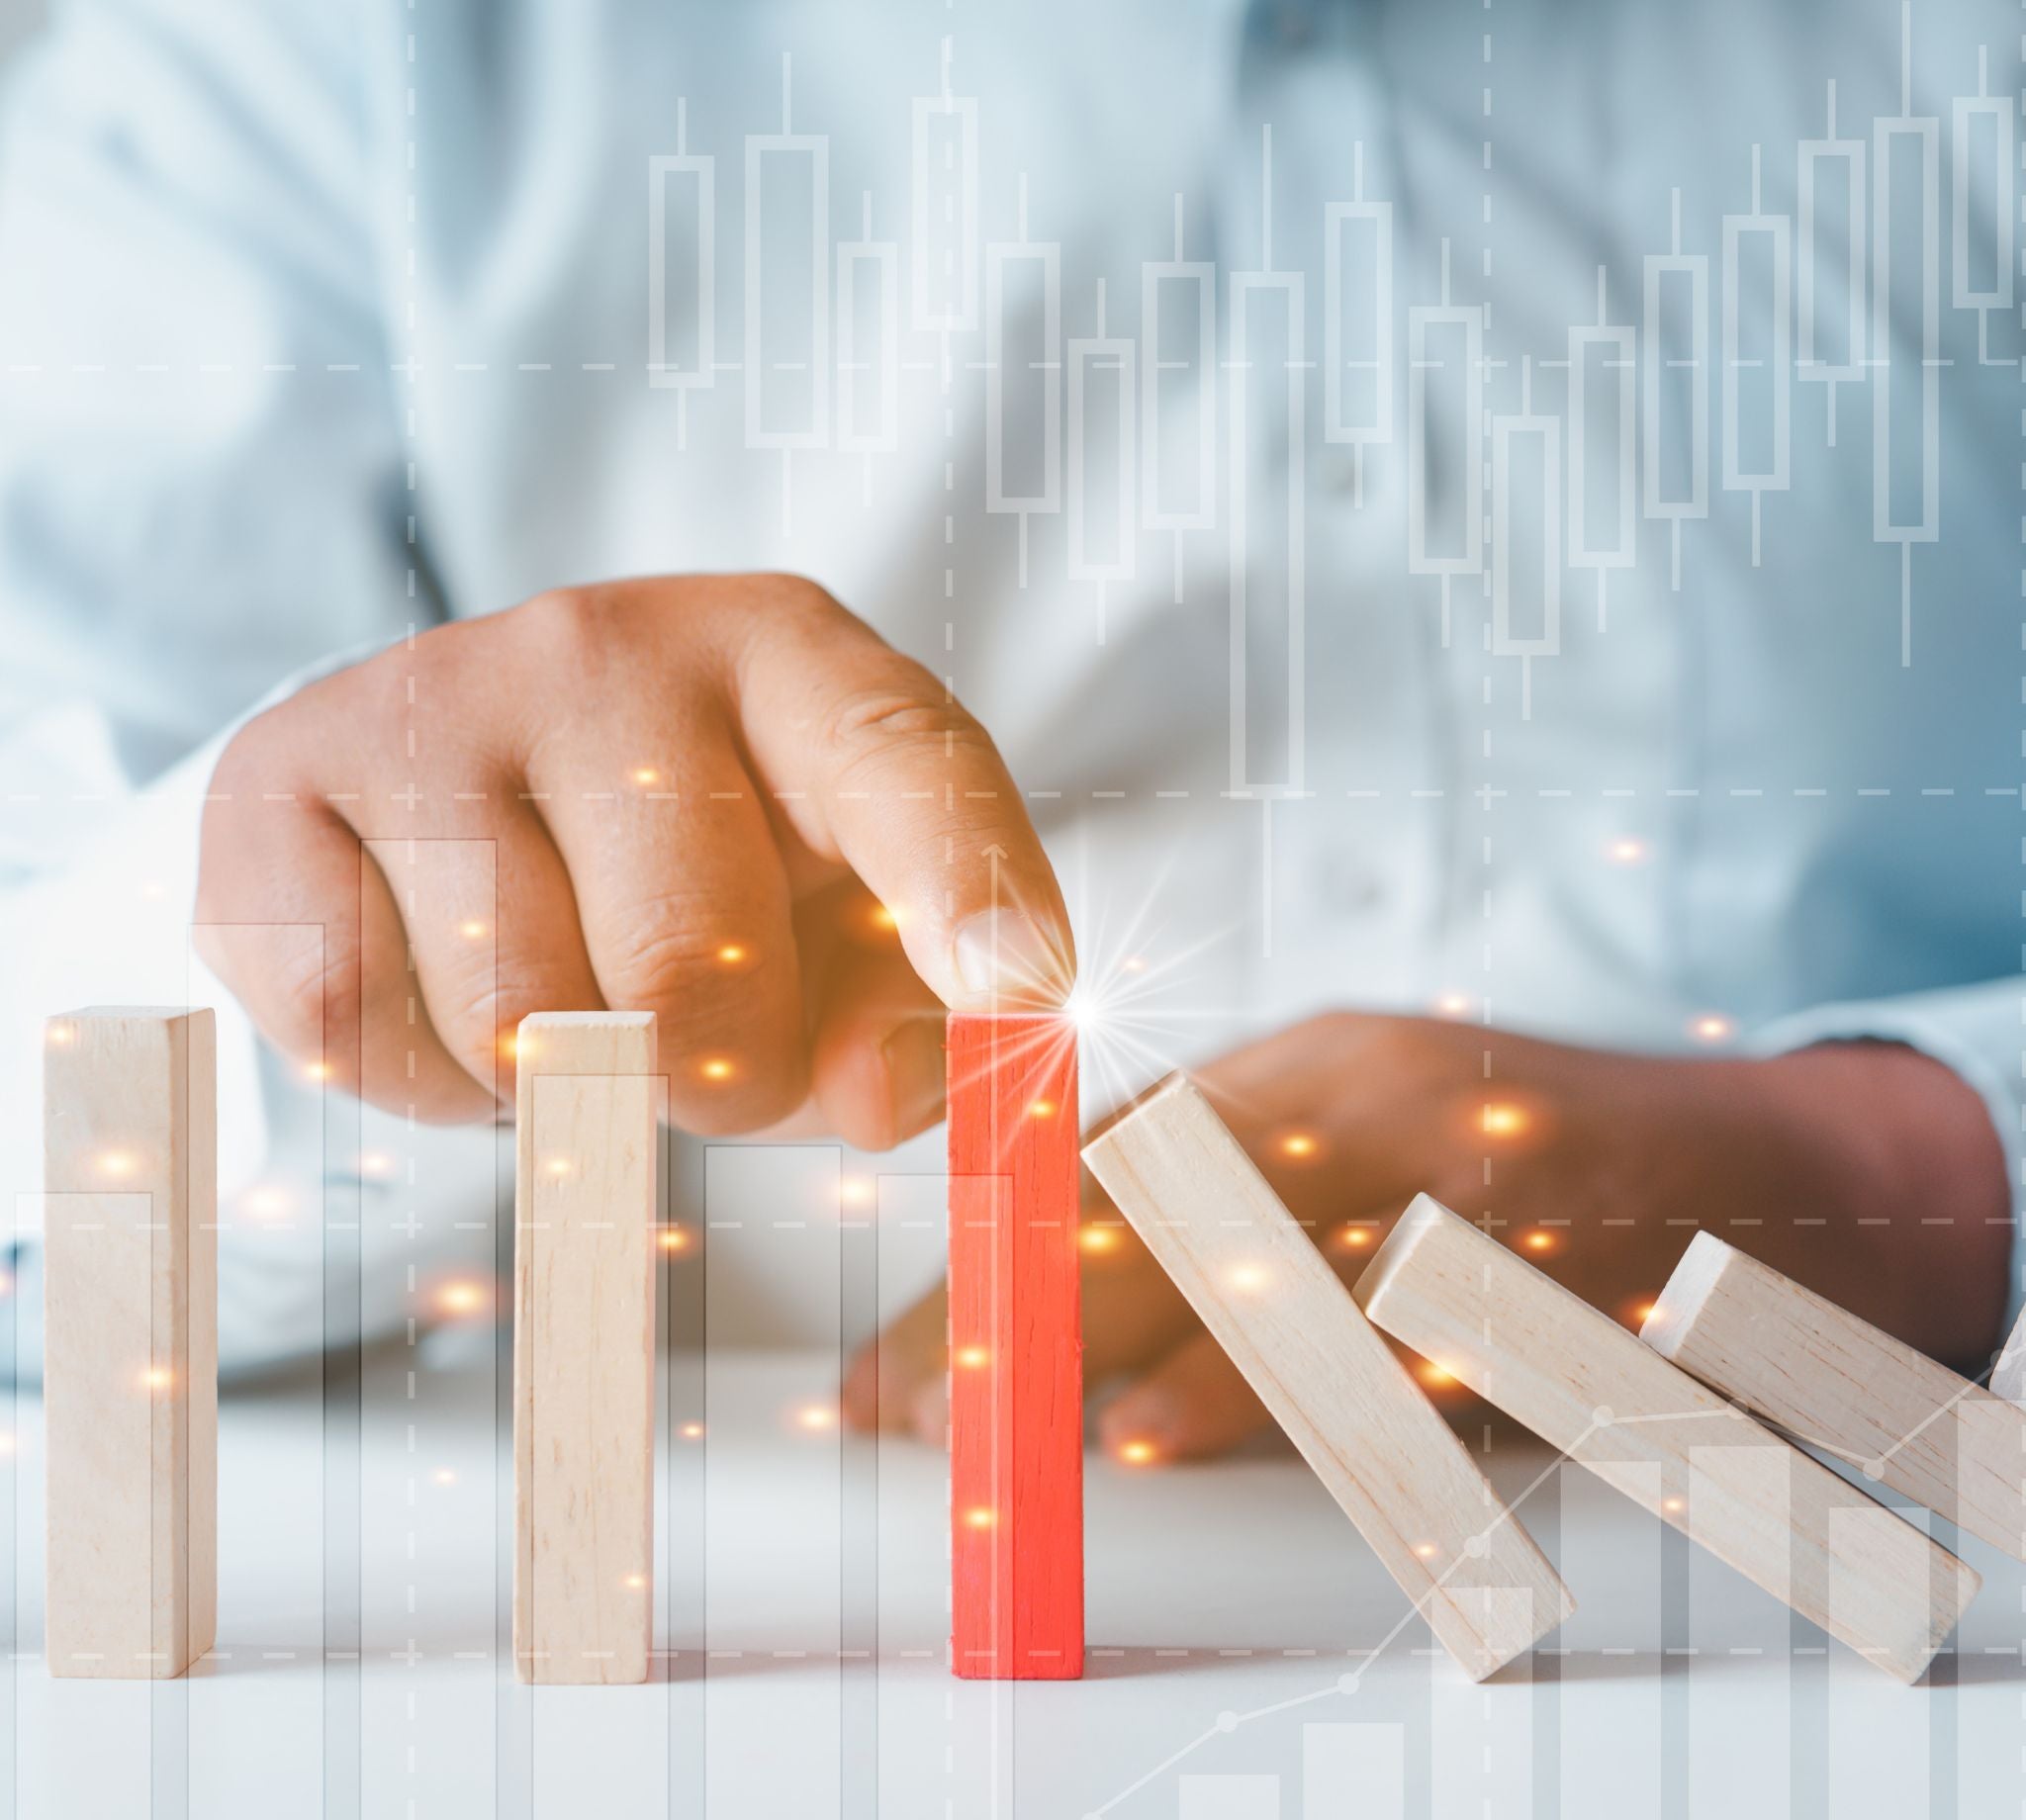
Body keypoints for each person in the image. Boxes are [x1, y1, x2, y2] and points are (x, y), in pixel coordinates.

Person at [0, 0, 2015, 1463]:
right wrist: (324, 905)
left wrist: (1902, 1170)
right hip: (774, 1629)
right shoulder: (289, 64)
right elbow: (36, 1105)